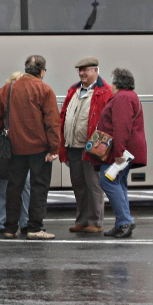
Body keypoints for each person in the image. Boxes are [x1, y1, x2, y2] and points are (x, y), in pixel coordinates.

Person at [0, 55, 60, 240]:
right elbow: (52, 122)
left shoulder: (8, 88)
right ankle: (34, 227)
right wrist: (54, 148)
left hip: (14, 147)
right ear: (41, 71)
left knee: (14, 187)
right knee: (39, 187)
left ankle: (10, 227)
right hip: (40, 148)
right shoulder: (45, 89)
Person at [58, 56, 112, 236]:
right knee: (79, 185)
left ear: (96, 71)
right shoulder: (74, 91)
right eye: (80, 70)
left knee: (93, 186)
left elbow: (108, 121)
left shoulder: (105, 91)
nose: (82, 73)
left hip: (91, 147)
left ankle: (95, 221)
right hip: (73, 145)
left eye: (86, 70)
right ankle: (82, 220)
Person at [96, 68, 148, 238]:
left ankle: (125, 221)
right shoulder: (130, 96)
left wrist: (119, 152)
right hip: (126, 150)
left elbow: (121, 126)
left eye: (112, 81)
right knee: (118, 182)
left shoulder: (122, 97)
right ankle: (121, 223)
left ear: (117, 82)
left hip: (119, 152)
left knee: (107, 180)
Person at [0, 72, 30, 235]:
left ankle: (2, 221)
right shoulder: (25, 97)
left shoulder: (1, 94)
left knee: (2, 186)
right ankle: (25, 221)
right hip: (21, 146)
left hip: (3, 146)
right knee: (25, 187)